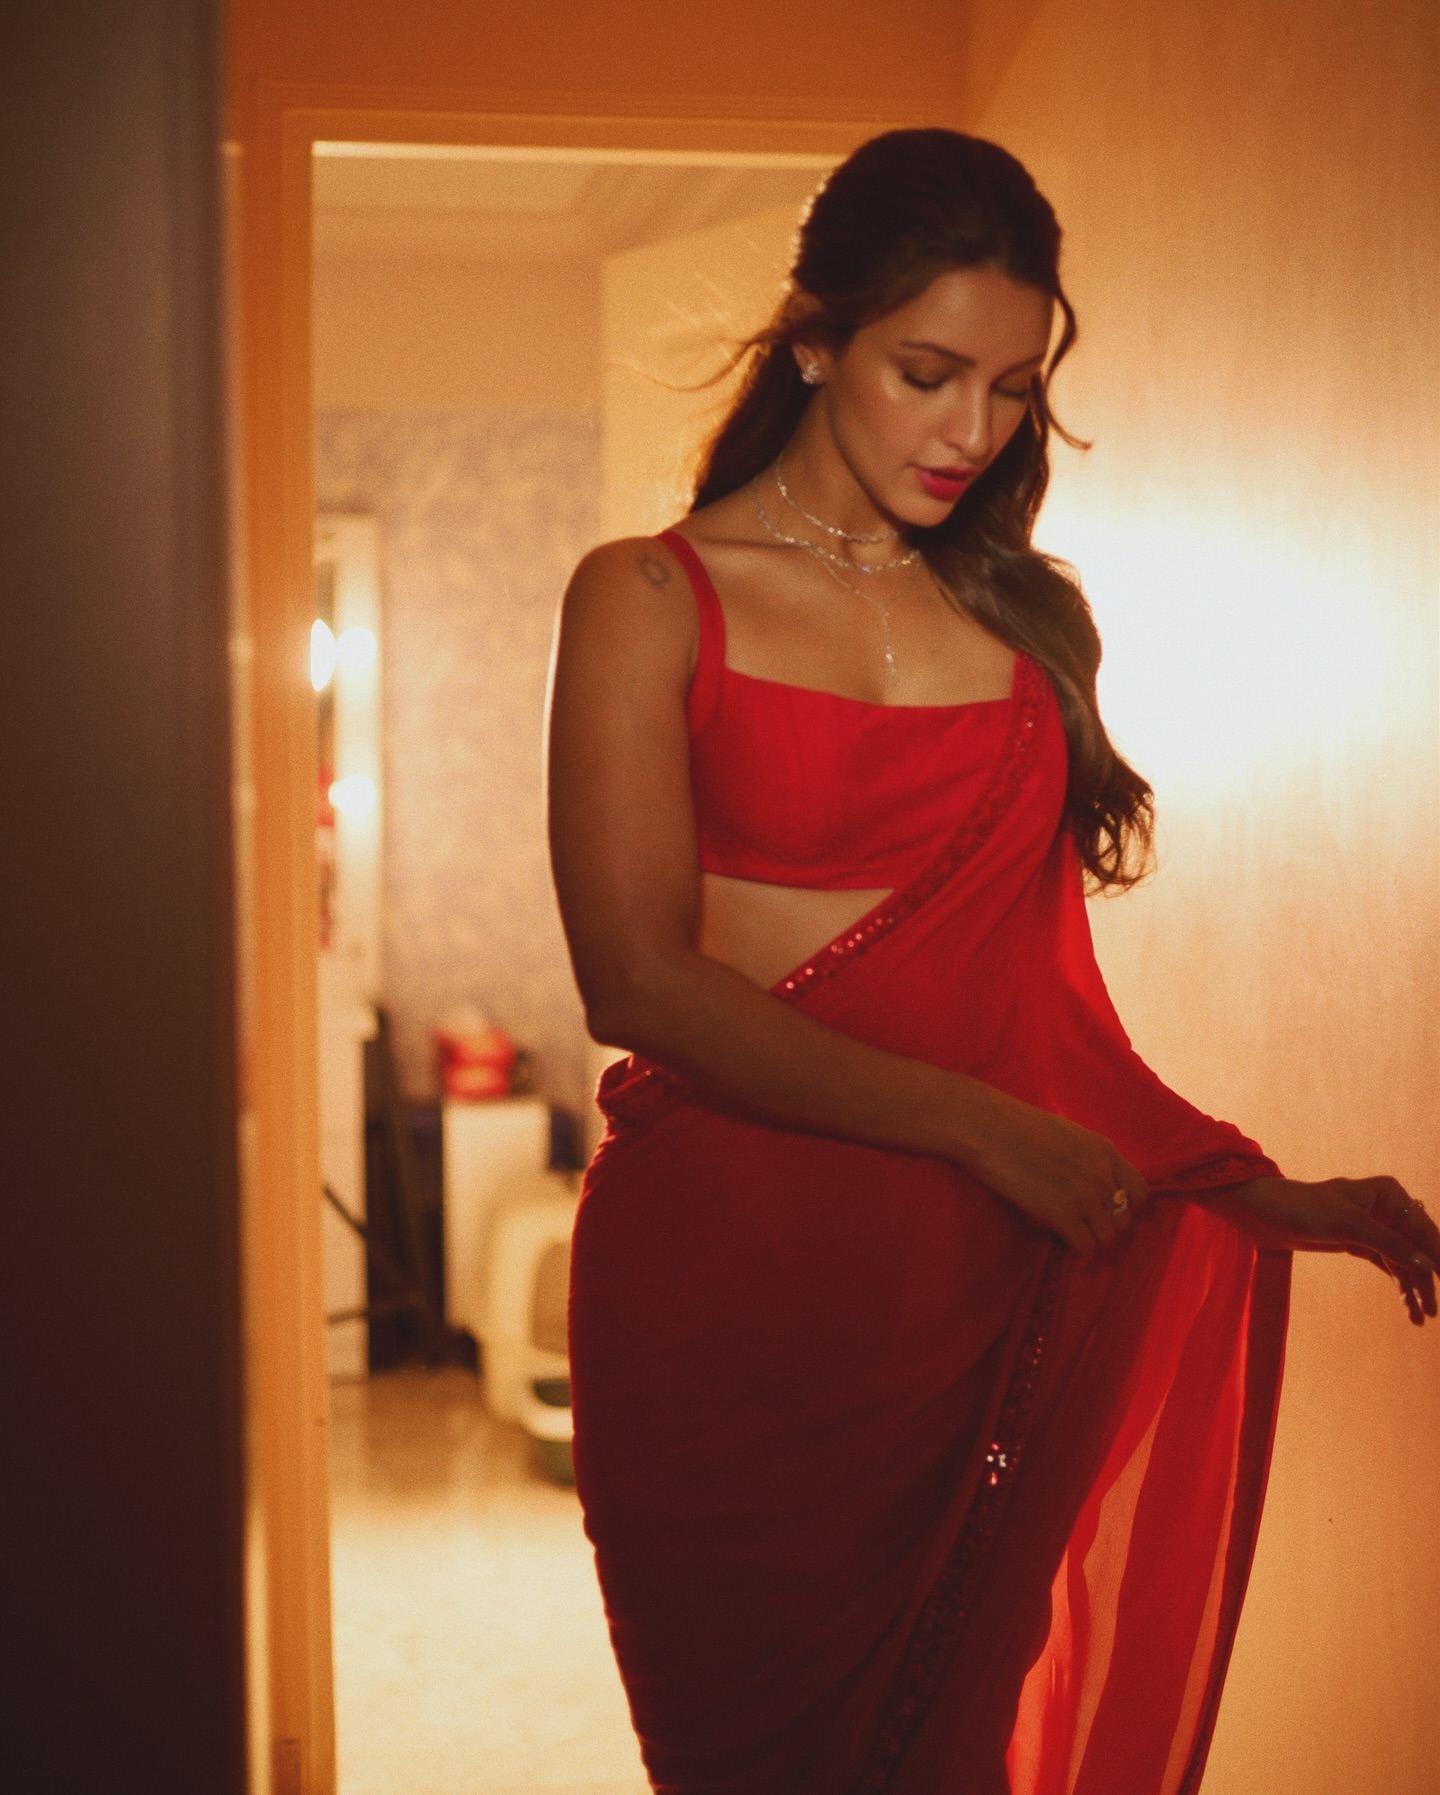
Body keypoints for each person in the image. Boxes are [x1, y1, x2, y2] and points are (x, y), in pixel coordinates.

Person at [543, 127, 1438, 1795]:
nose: (972, 432)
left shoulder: (1031, 626)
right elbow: (637, 983)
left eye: (1014, 390)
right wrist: (982, 1131)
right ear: (816, 341)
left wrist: (1252, 1191)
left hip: (965, 1301)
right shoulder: (650, 598)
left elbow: (1043, 1017)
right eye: (927, 374)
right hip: (724, 1301)